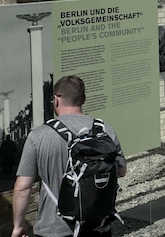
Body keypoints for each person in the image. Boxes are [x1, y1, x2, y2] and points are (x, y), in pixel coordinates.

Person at [12, 75, 126, 237]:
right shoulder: (105, 130)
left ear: (56, 100)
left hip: (54, 229)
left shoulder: (38, 136)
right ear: (84, 99)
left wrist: (18, 224)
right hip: (98, 226)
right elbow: (121, 171)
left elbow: (23, 187)